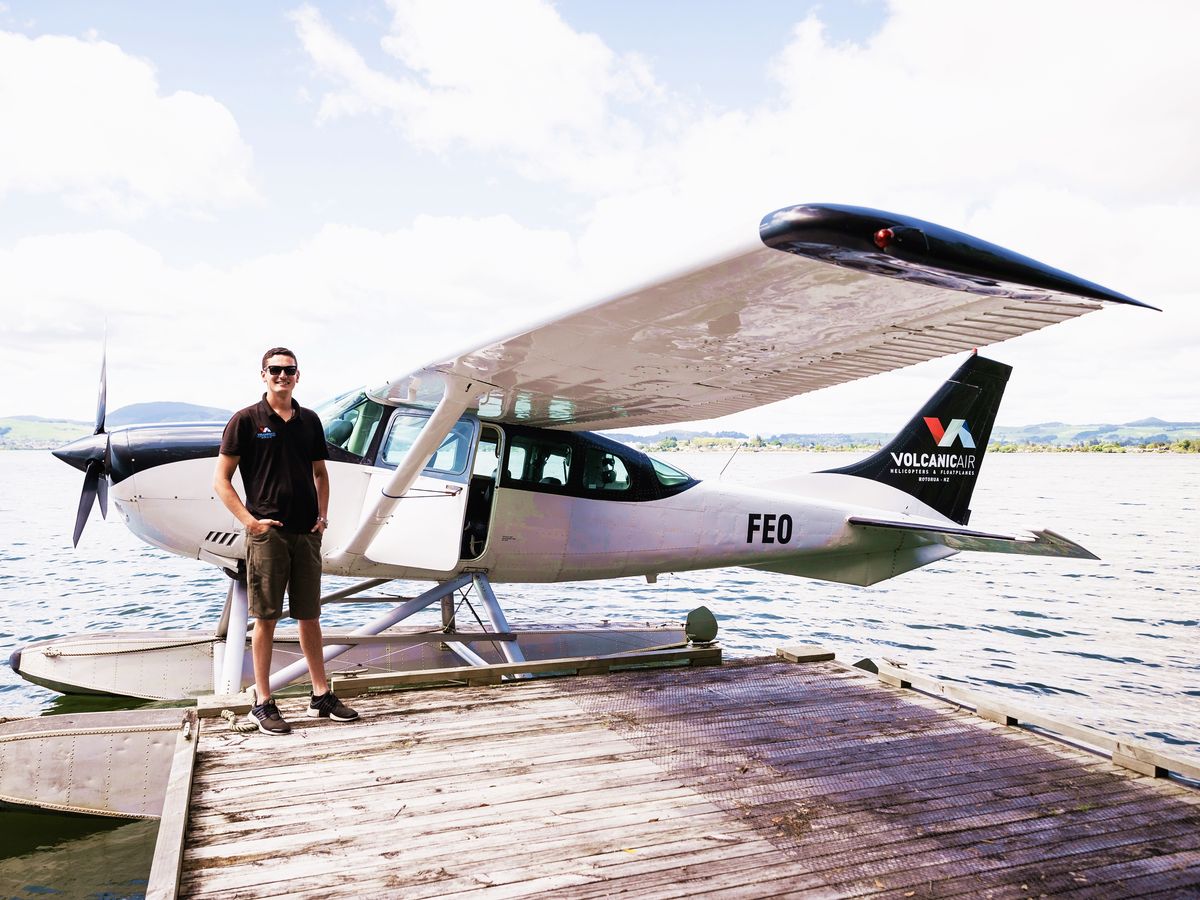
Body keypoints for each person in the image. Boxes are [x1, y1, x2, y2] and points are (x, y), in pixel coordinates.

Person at [214, 347, 359, 735]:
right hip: (269, 536)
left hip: (306, 534)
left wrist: (322, 517)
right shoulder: (245, 421)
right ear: (263, 374)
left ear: (298, 375)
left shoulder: (309, 421)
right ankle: (262, 702)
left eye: (289, 370)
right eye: (275, 370)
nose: (283, 375)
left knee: (309, 616)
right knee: (266, 618)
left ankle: (321, 694)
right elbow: (221, 481)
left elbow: (321, 473)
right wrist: (250, 522)